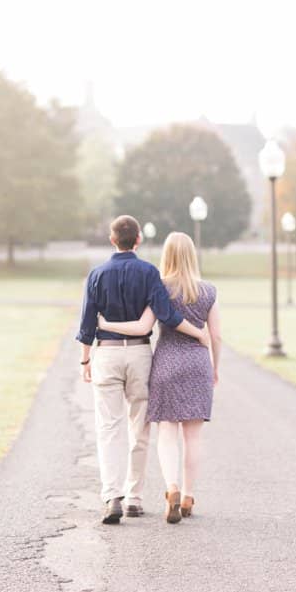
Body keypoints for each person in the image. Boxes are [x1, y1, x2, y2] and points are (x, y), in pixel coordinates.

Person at [76, 215, 210, 524]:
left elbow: (86, 325)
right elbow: (167, 314)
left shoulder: (96, 275)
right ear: (137, 240)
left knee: (108, 428)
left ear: (113, 240)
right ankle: (134, 496)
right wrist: (199, 333)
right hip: (139, 353)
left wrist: (85, 360)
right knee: (140, 427)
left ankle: (112, 497)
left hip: (106, 354)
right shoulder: (149, 273)